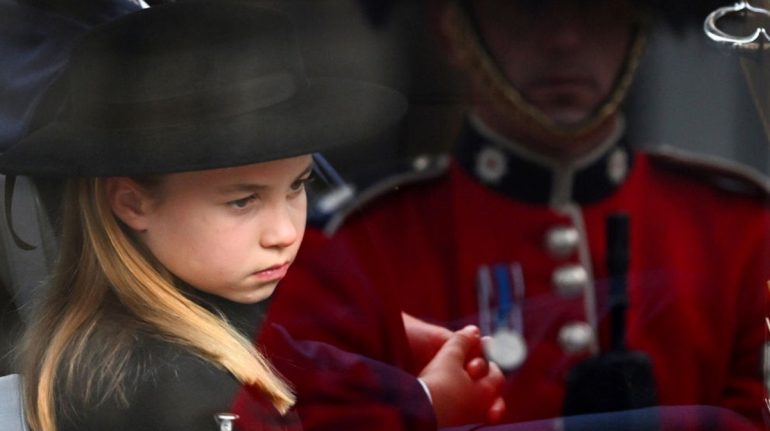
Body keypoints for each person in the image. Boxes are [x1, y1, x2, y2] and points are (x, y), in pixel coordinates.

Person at [264, 0, 770, 428]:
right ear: (453, 29)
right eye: (528, 9)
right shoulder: (355, 244)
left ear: (639, 25)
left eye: (599, 9)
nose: (566, 39)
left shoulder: (739, 228)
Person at [1, 2, 504, 430]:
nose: (285, 233)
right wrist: (425, 405)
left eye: (298, 186)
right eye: (242, 201)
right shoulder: (173, 388)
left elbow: (298, 359)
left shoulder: (200, 299)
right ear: (133, 203)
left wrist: (398, 357)